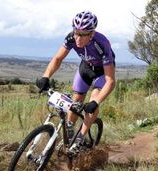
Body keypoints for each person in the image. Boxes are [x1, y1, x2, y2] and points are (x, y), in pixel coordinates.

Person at [37, 11, 116, 155]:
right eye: (76, 32)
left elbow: (110, 81)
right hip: (86, 67)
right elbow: (57, 59)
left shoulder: (102, 44)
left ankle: (80, 138)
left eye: (82, 34)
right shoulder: (71, 38)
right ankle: (70, 129)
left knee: (92, 102)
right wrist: (45, 76)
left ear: (91, 33)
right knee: (76, 100)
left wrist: (96, 102)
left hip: (102, 72)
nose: (78, 38)